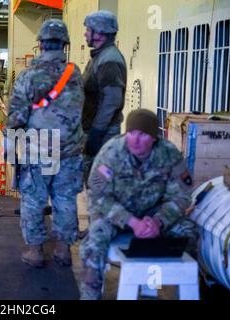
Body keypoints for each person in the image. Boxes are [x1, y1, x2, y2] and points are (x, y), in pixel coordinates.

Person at [78, 109, 199, 300]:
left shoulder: (169, 154)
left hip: (153, 215)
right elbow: (98, 196)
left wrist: (158, 222)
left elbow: (182, 196)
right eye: (131, 133)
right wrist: (133, 222)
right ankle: (89, 296)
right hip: (115, 216)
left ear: (153, 138)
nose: (134, 140)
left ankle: (175, 290)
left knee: (189, 231)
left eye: (142, 135)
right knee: (94, 242)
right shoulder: (111, 153)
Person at [5, 19, 85, 268]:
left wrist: (9, 145)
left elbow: (16, 117)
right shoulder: (75, 74)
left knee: (33, 199)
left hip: (38, 151)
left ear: (39, 44)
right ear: (64, 45)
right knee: (65, 199)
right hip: (70, 151)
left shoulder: (29, 76)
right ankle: (63, 250)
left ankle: (36, 251)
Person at [81, 10, 127, 184]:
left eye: (88, 30)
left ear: (99, 33)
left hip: (103, 135)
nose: (85, 33)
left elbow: (112, 100)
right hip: (96, 131)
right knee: (94, 182)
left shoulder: (109, 60)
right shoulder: (100, 57)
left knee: (101, 183)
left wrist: (97, 133)